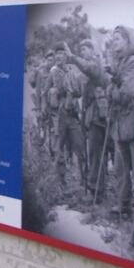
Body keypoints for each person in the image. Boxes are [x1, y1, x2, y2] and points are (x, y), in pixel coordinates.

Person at [107, 25, 134, 219]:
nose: (114, 42)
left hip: (132, 123)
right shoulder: (117, 63)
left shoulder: (132, 62)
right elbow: (108, 90)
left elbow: (128, 92)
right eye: (113, 39)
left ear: (128, 41)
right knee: (121, 169)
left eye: (118, 39)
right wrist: (112, 89)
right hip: (119, 124)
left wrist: (113, 91)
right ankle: (123, 205)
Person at [65, 40, 109, 197]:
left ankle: (95, 190)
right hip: (91, 117)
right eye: (81, 50)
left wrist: (73, 57)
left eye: (84, 49)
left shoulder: (95, 64)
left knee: (95, 155)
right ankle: (97, 188)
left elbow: (88, 68)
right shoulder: (87, 70)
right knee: (95, 155)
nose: (82, 52)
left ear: (91, 49)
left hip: (98, 119)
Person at [46, 44, 85, 189]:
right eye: (57, 54)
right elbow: (45, 92)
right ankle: (61, 183)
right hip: (58, 117)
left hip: (73, 115)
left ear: (66, 56)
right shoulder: (52, 72)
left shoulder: (72, 71)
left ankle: (84, 182)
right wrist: (53, 96)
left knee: (80, 148)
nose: (59, 56)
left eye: (62, 53)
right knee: (59, 151)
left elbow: (80, 92)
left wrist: (72, 92)